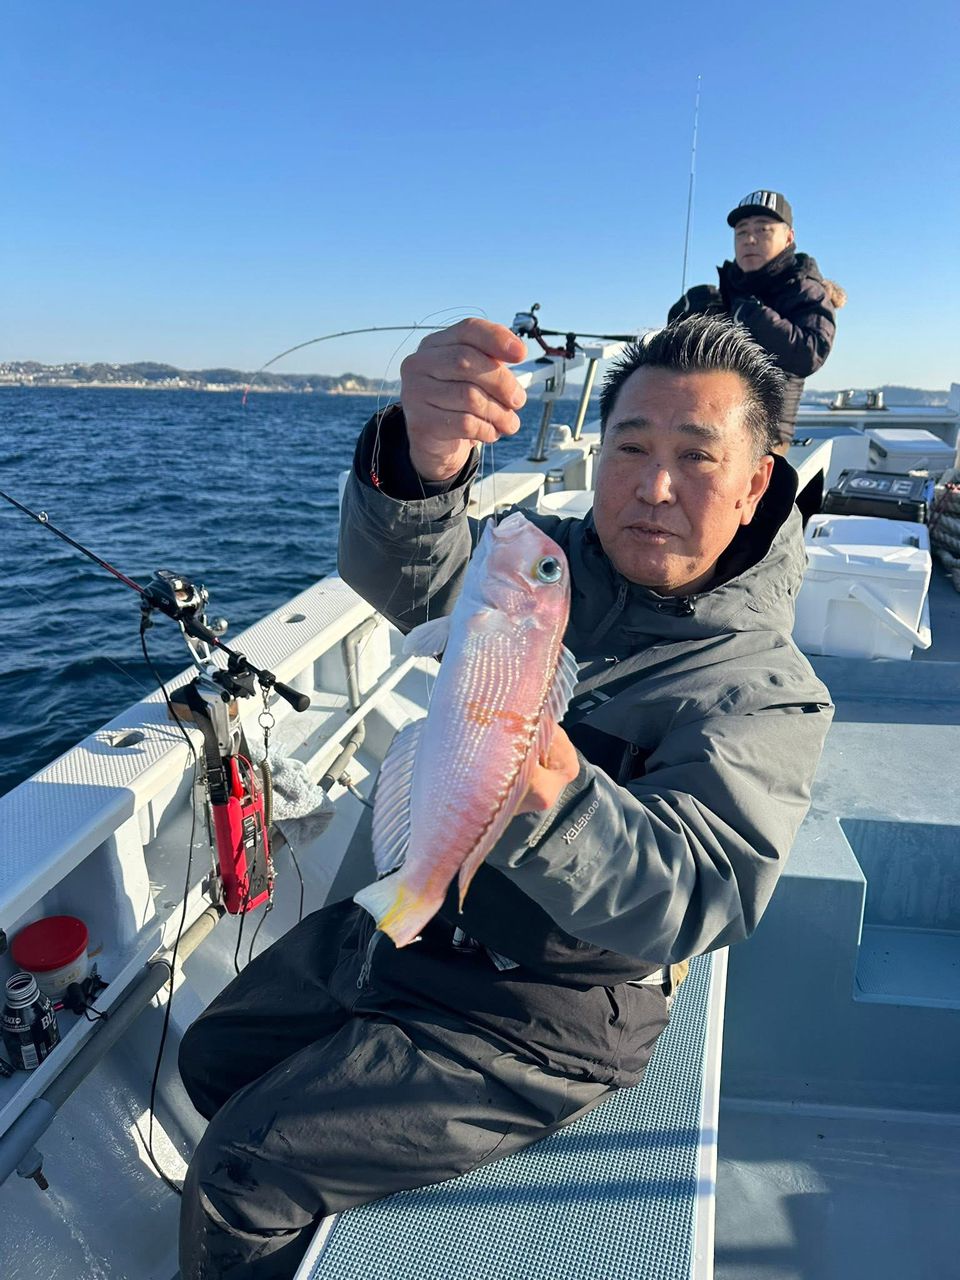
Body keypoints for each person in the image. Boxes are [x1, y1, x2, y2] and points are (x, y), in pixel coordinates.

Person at [177, 314, 833, 1279]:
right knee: (212, 1061)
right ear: (601, 453)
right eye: (632, 447)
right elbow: (424, 574)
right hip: (418, 925)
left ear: (755, 484)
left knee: (237, 1175)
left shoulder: (764, 688)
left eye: (697, 456)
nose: (654, 486)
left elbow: (699, 895)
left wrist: (556, 797)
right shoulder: (551, 558)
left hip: (542, 1012)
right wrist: (426, 459)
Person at [669, 190, 838, 451]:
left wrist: (750, 316)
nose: (749, 239)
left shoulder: (805, 290)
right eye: (741, 232)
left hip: (766, 435)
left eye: (763, 230)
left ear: (789, 237)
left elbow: (810, 353)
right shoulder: (729, 289)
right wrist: (685, 318)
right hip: (707, 422)